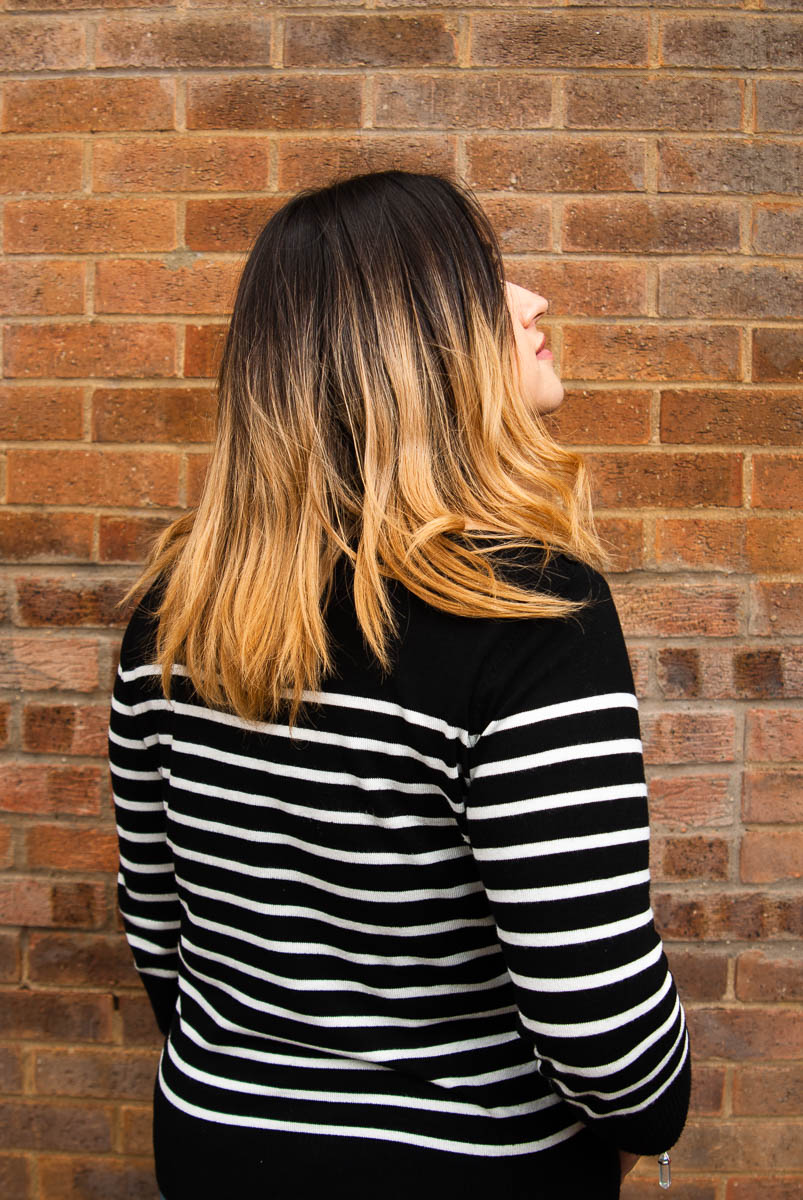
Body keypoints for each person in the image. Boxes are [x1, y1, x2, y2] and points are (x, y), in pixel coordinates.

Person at [109, 169, 690, 1199]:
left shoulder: (174, 610)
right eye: (489, 280)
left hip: (214, 1138)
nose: (529, 303)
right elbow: (595, 1020)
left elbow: (161, 932)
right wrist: (650, 1111)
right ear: (412, 349)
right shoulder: (529, 612)